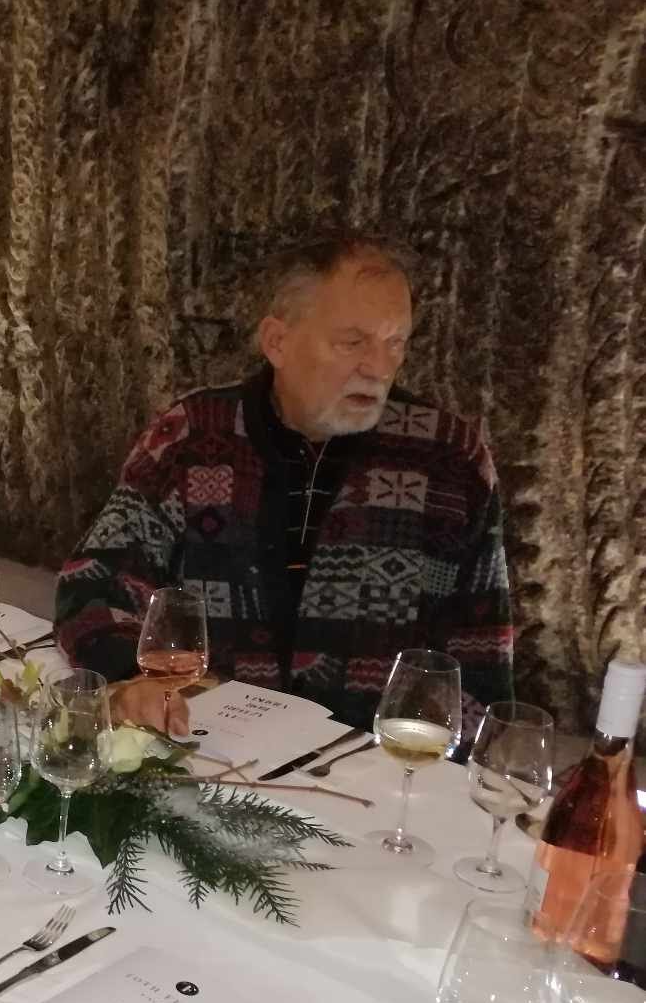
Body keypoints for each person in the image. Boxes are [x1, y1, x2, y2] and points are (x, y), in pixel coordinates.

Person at [54, 232, 513, 734]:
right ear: (277, 342)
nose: (380, 368)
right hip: (204, 738)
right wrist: (131, 676)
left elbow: (482, 659)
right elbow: (95, 579)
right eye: (353, 342)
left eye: (395, 342)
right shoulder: (193, 435)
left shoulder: (448, 461)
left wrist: (444, 761)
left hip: (373, 760)